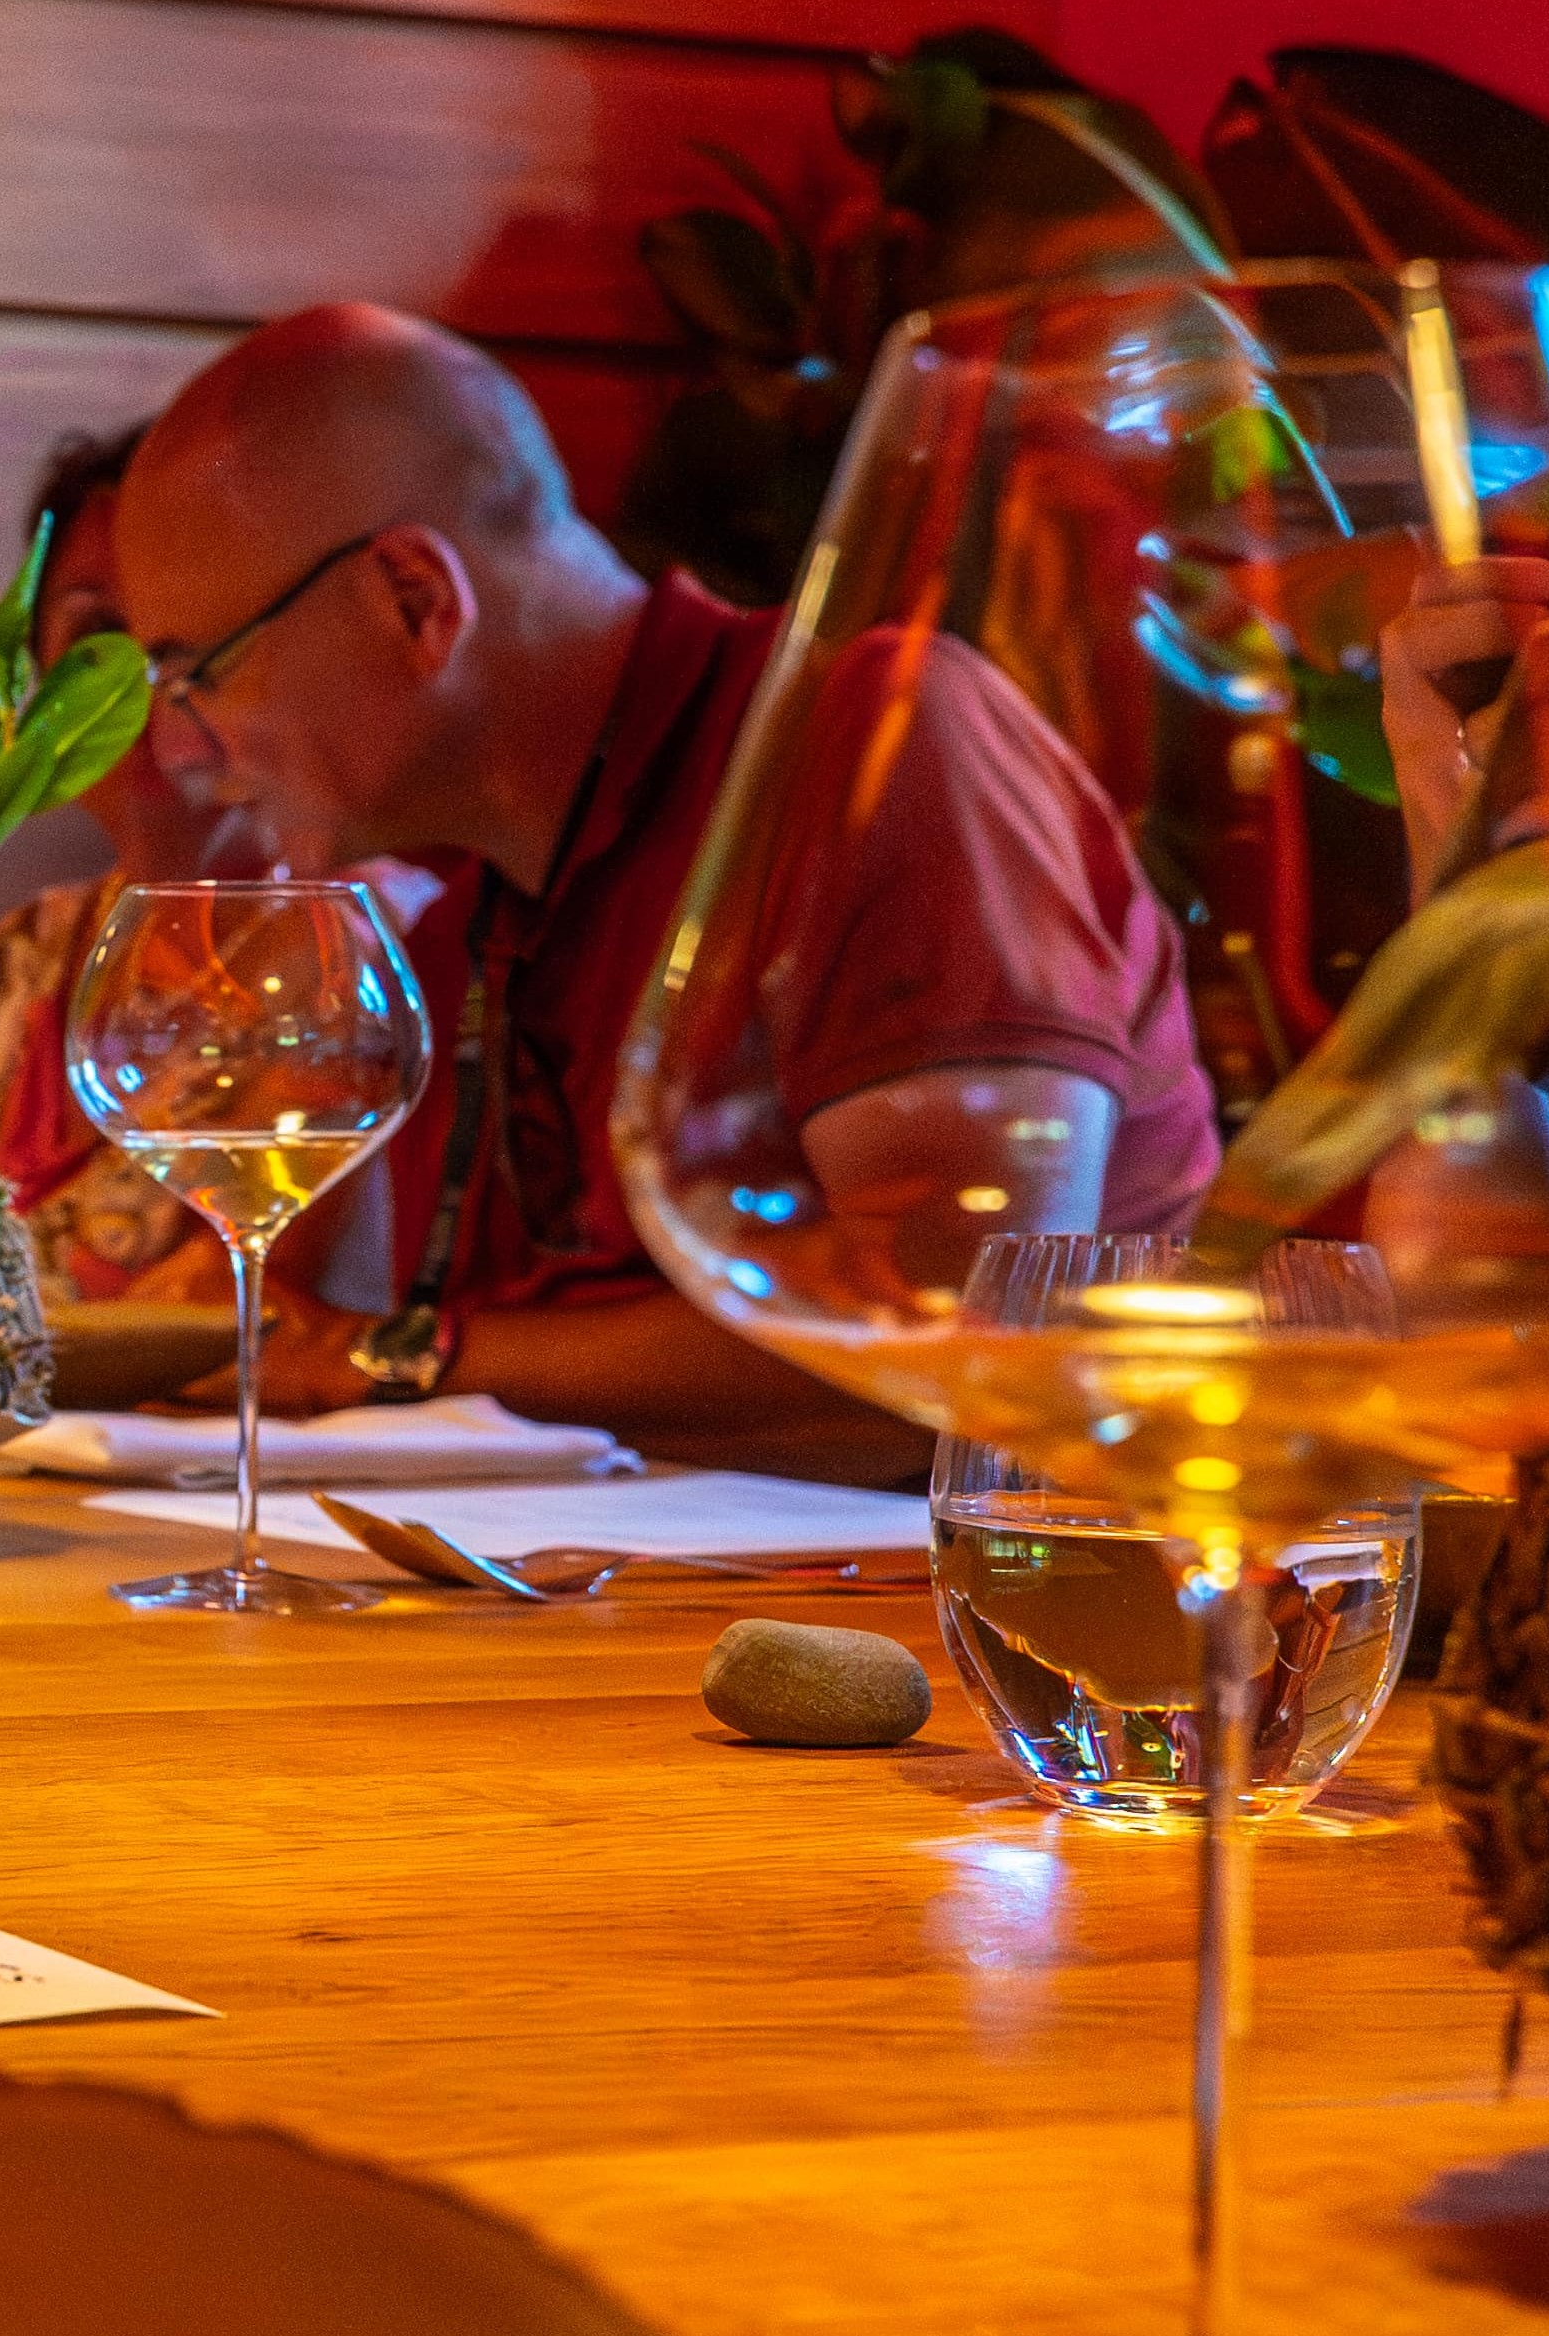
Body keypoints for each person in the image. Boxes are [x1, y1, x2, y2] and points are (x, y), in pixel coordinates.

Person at [104, 305, 1213, 1485]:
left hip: (963, 1631)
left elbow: (955, 1349)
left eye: (196, 672)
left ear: (415, 599)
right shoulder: (458, 910)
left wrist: (400, 1357)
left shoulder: (873, 747)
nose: (180, 750)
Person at [0, 415, 372, 1316]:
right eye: (99, 633)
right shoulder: (27, 952)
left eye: (185, 637)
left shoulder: (355, 949)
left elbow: (241, 1312)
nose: (145, 681)